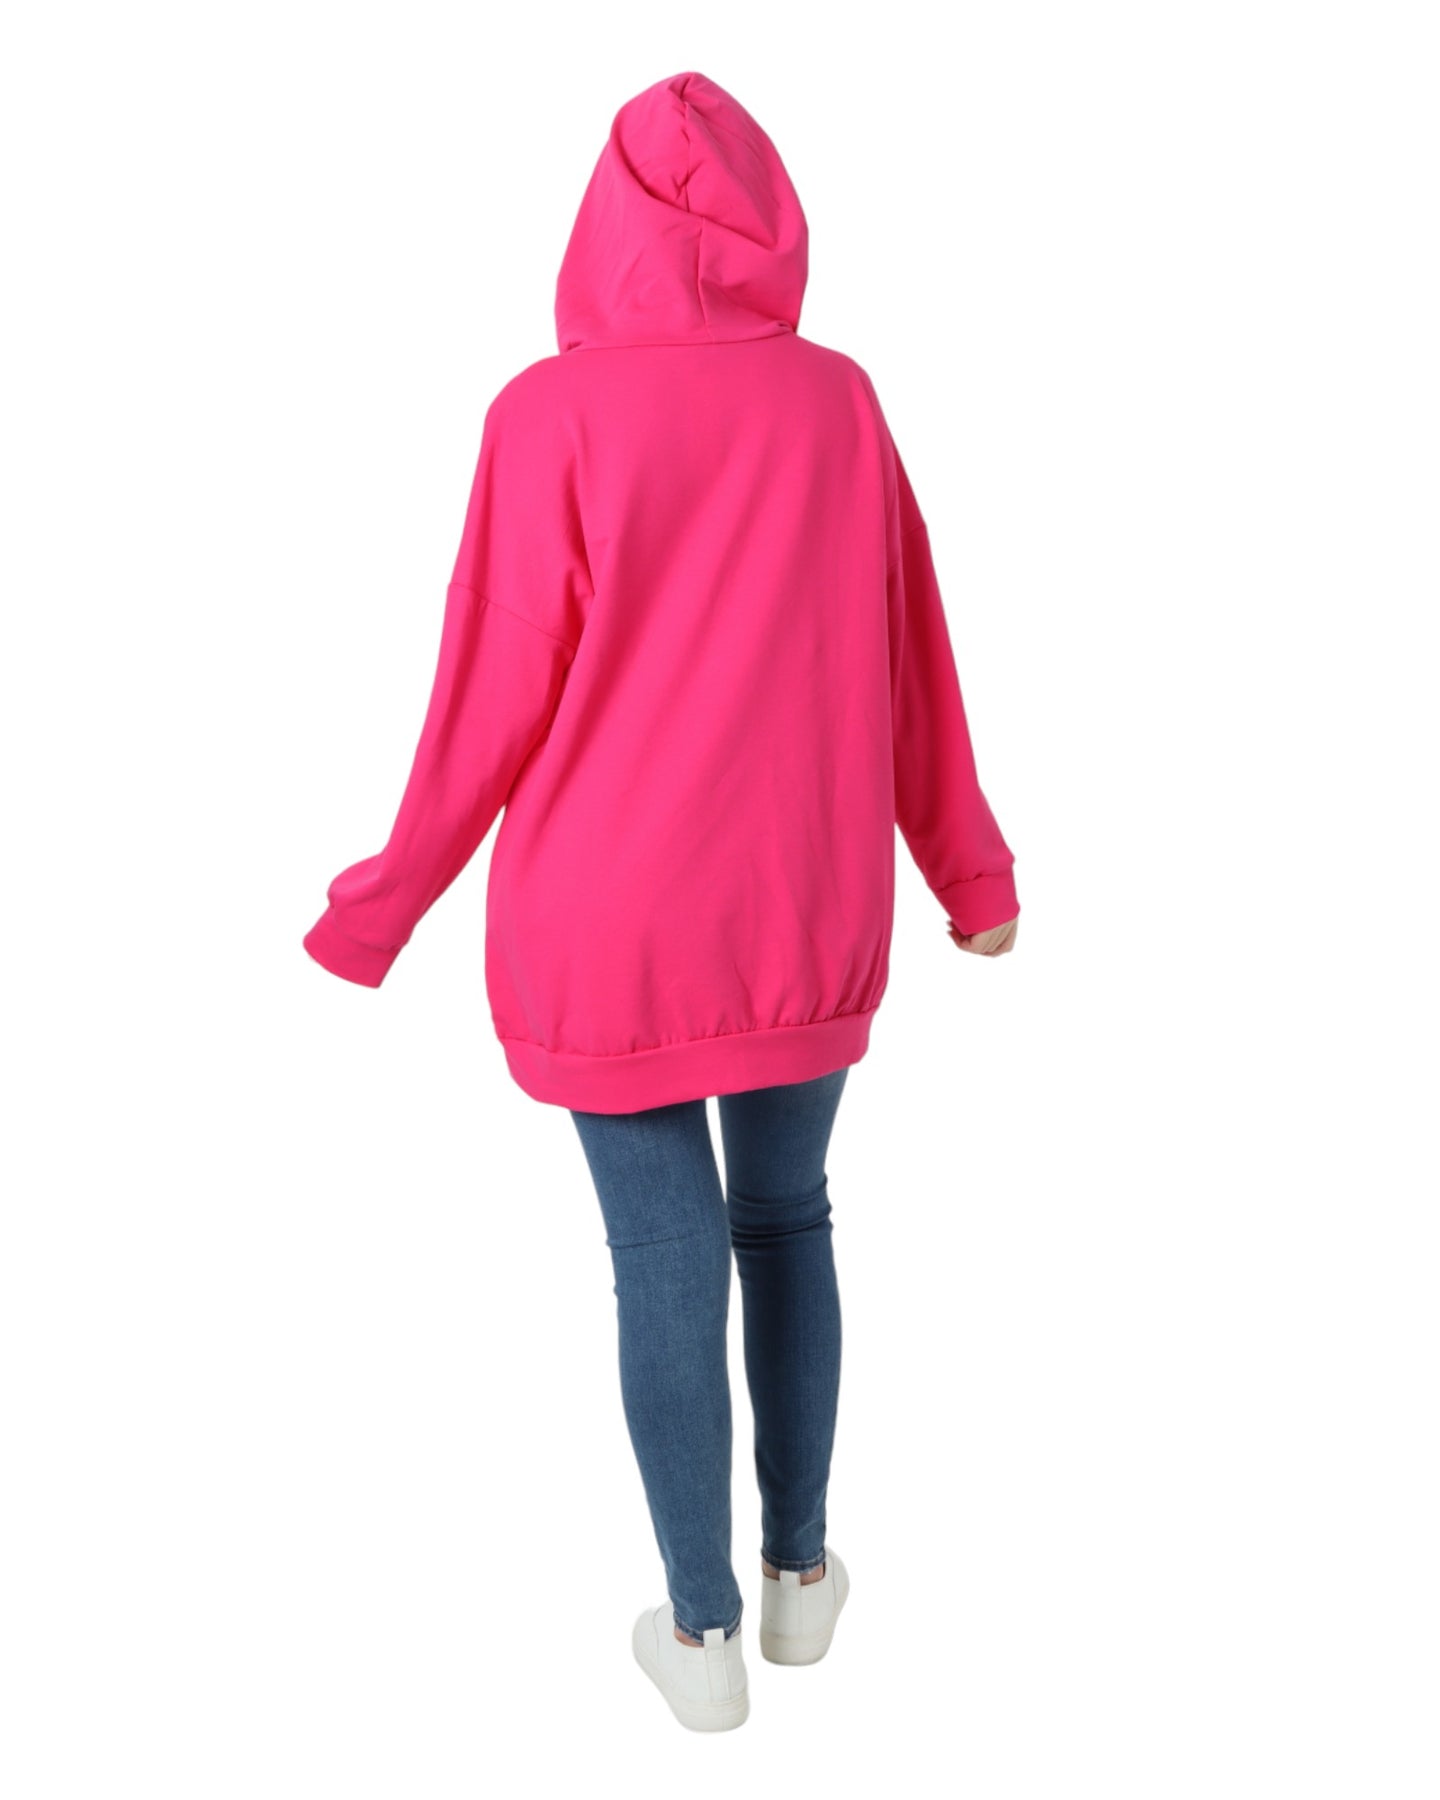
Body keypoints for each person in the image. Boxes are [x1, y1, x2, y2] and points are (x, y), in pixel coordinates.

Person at [303, 69, 1020, 1731]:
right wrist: (968, 869)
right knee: (788, 1219)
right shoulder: (838, 404)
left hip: (604, 923)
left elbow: (486, 694)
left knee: (664, 1253)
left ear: (601, 226)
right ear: (772, 221)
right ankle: (800, 1580)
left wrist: (380, 906)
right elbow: (914, 657)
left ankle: (697, 1643)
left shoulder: (544, 416)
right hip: (802, 903)